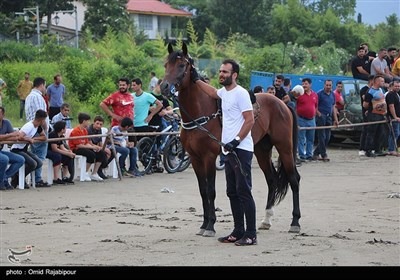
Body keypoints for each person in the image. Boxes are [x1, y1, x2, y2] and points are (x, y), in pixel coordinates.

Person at [191, 59, 257, 246]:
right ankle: (238, 231)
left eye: (225, 72)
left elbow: (250, 120)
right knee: (232, 192)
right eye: (220, 71)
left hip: (241, 149)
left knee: (244, 191)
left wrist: (236, 141)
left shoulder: (241, 93)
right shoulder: (224, 93)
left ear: (234, 75)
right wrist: (196, 79)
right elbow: (211, 91)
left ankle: (251, 234)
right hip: (227, 150)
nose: (221, 74)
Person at [10, 110, 48, 188]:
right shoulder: (29, 126)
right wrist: (28, 139)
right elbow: (19, 137)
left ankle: (17, 177)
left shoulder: (37, 127)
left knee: (39, 163)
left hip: (24, 150)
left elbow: (44, 137)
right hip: (17, 149)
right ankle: (17, 177)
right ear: (42, 120)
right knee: (33, 163)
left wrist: (34, 138)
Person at [25, 77, 50, 187]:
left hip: (31, 128)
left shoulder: (29, 96)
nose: (45, 88)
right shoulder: (38, 97)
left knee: (34, 154)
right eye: (45, 86)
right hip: (38, 129)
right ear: (42, 85)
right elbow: (42, 116)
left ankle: (34, 178)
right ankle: (37, 179)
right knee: (39, 155)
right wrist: (44, 129)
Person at [68, 113, 106, 182]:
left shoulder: (85, 130)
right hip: (75, 149)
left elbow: (86, 142)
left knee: (101, 153)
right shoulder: (76, 131)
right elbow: (78, 145)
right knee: (91, 154)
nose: (89, 122)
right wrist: (92, 148)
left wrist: (94, 147)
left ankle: (94, 173)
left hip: (83, 147)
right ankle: (84, 172)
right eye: (88, 121)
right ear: (83, 121)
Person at [313, 80, 339, 162]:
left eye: (330, 85)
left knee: (327, 137)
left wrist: (335, 119)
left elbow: (333, 107)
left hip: (329, 117)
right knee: (322, 136)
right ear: (324, 85)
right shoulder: (319, 94)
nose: (328, 87)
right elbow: (315, 105)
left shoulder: (332, 95)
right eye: (327, 85)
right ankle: (324, 154)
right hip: (321, 116)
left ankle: (316, 153)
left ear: (332, 86)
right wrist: (318, 113)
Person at [363, 74, 388, 157]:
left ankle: (378, 149)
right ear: (376, 82)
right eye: (382, 81)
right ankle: (368, 150)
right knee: (371, 132)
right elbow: (365, 105)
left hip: (381, 114)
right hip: (373, 114)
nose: (383, 82)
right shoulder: (370, 92)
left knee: (381, 132)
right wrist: (371, 108)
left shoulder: (381, 90)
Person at [0, 107, 25, 190]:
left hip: (1, 151)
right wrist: (9, 135)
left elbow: (16, 137)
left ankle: (3, 178)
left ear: (3, 115)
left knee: (20, 159)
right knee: (4, 159)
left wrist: (4, 137)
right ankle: (2, 182)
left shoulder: (6, 123)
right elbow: (12, 135)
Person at [296, 78, 318, 161]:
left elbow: (316, 106)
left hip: (312, 120)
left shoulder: (315, 95)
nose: (304, 85)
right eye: (303, 84)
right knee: (301, 139)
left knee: (310, 139)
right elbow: (295, 107)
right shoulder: (299, 95)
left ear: (310, 85)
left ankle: (309, 155)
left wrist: (314, 115)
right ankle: (302, 156)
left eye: (306, 84)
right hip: (301, 119)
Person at [87, 115, 114, 179]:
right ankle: (97, 171)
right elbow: (89, 143)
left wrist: (104, 148)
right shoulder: (89, 129)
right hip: (90, 146)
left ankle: (99, 169)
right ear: (94, 122)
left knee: (111, 152)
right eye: (97, 123)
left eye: (100, 124)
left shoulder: (100, 130)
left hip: (97, 147)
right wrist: (101, 148)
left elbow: (100, 143)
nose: (99, 126)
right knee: (102, 154)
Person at [385, 80, 400, 156]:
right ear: (392, 86)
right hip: (393, 117)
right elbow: (391, 106)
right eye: (396, 86)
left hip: (397, 117)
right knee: (394, 133)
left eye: (398, 86)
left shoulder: (396, 94)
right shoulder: (391, 94)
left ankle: (392, 149)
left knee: (395, 133)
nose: (397, 87)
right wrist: (395, 117)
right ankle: (391, 149)